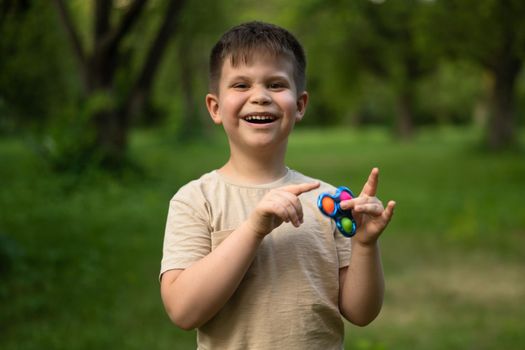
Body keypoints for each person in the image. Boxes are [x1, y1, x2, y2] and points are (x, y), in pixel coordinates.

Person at [160, 21, 396, 349]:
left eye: (275, 84)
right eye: (241, 85)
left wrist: (366, 246)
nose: (259, 97)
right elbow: (184, 311)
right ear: (215, 107)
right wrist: (253, 229)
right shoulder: (197, 200)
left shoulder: (327, 200)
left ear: (299, 106)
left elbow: (360, 311)